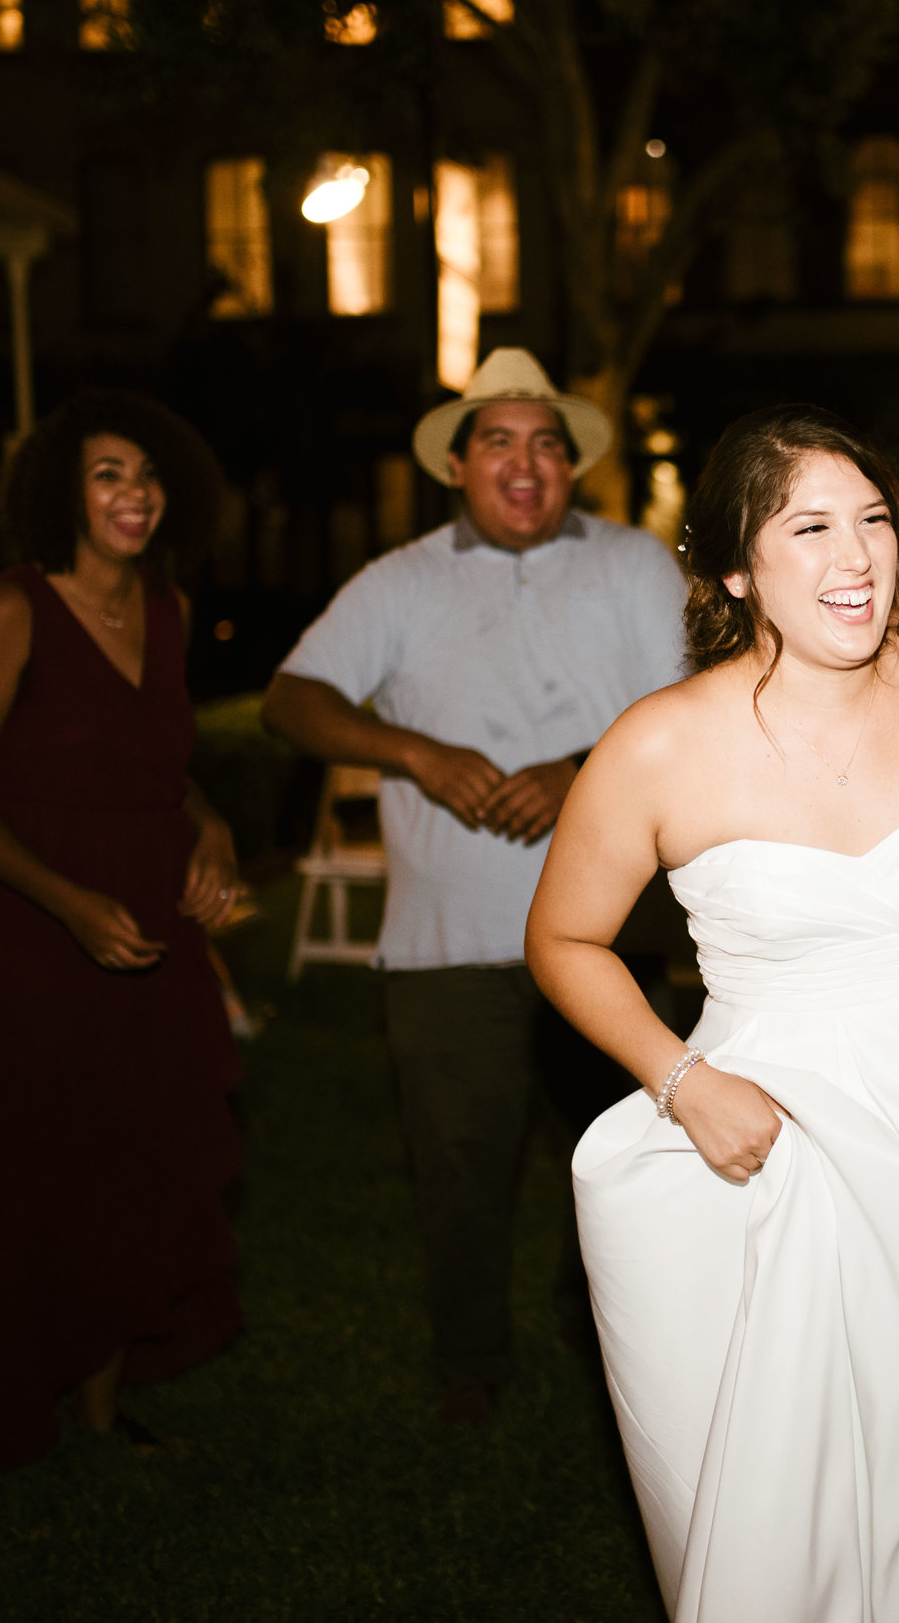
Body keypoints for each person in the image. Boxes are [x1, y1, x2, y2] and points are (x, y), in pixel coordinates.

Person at [526, 406, 899, 1622]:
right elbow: (562, 938)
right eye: (810, 528)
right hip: (773, 1151)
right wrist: (681, 1082)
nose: (856, 558)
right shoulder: (659, 743)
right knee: (789, 1518)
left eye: (873, 522)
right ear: (738, 568)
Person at [261, 348, 687, 1427]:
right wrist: (415, 753)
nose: (524, 462)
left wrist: (580, 772)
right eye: (498, 440)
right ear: (457, 464)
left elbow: (695, 709)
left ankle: (609, 1341)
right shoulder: (399, 580)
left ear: (570, 465)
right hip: (450, 936)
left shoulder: (635, 563)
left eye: (545, 442)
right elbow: (293, 699)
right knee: (458, 1163)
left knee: (625, 1156)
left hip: (610, 931)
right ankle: (469, 1362)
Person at [0, 391, 246, 1482]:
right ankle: (2, 1374)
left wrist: (209, 831)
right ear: (59, 493)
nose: (136, 495)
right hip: (33, 926)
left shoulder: (164, 608)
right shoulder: (11, 609)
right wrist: (66, 899)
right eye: (108, 474)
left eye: (148, 475)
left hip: (146, 926)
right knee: (40, 1157)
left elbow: (160, 773)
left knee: (138, 1149)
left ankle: (101, 1401)